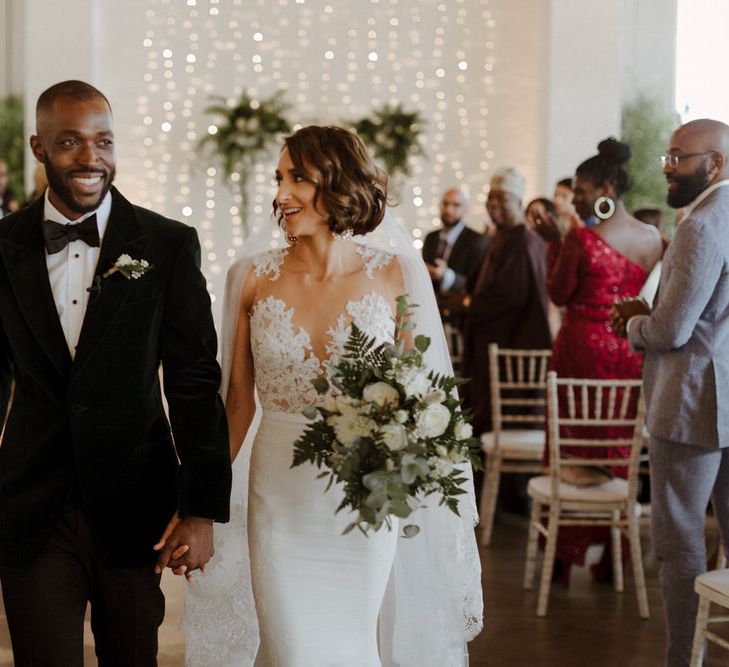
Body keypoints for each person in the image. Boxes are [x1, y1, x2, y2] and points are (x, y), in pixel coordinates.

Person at [182, 125, 482, 666]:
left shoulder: (396, 274)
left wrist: (405, 453)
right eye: (278, 179)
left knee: (349, 647)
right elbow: (237, 406)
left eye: (297, 177)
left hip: (363, 510)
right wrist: (195, 505)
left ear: (340, 183)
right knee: (293, 651)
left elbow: (421, 397)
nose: (280, 194)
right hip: (278, 501)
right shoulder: (249, 278)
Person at [0, 80, 232, 665]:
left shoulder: (169, 244)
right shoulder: (3, 247)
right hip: (32, 505)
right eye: (71, 142)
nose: (91, 158)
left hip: (137, 509)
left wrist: (202, 507)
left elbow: (194, 381)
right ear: (38, 147)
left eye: (103, 141)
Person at [612, 118, 729, 667]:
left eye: (680, 157)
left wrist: (633, 323)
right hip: (725, 398)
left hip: (689, 404)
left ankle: (684, 660)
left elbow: (669, 331)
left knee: (679, 544)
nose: (668, 166)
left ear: (716, 163)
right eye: (668, 156)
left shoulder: (700, 226)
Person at [534, 137, 662, 583]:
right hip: (629, 352)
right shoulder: (653, 239)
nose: (578, 196)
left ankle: (561, 561)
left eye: (584, 189)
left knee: (572, 445)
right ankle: (614, 558)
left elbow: (558, 292)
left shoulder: (581, 238)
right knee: (616, 449)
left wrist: (554, 244)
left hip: (580, 351)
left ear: (606, 188)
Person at [454, 167, 551, 437]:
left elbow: (509, 295)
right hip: (488, 344)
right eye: (491, 198)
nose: (494, 204)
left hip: (510, 344)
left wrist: (466, 304)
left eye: (502, 199)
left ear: (519, 203)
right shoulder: (501, 236)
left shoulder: (523, 241)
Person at [422, 187, 489, 306]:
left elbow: (476, 284)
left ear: (465, 209)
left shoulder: (478, 240)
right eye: (445, 204)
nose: (449, 210)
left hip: (459, 312)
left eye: (456, 205)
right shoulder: (430, 238)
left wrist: (445, 275)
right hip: (430, 306)